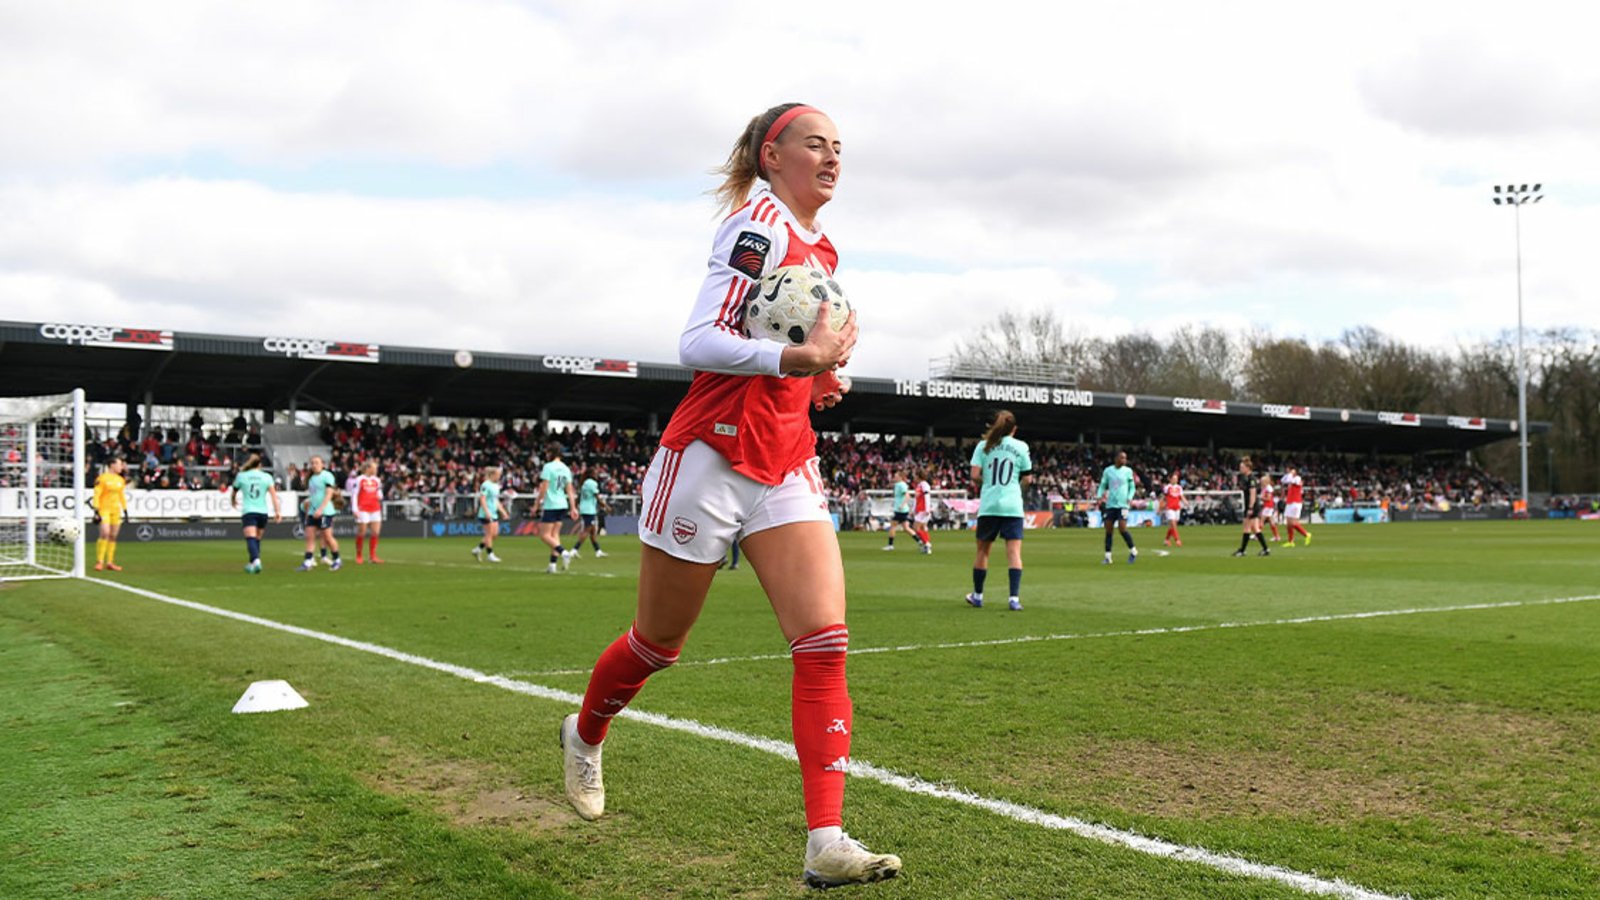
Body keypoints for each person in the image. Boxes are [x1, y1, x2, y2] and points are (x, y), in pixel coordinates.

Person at [559, 102, 899, 888]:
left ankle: (826, 843)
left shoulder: (822, 245)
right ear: (771, 155)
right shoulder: (756, 226)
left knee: (824, 643)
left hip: (785, 460)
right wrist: (793, 362)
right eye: (815, 144)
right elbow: (698, 340)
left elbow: (781, 344)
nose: (832, 157)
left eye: (839, 147)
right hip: (710, 456)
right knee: (657, 644)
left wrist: (817, 376)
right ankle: (585, 733)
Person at [963, 411, 1031, 611]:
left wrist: (988, 483)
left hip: (989, 505)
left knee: (983, 551)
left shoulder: (983, 446)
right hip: (1012, 506)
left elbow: (974, 475)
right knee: (1014, 553)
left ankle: (978, 596)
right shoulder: (1021, 446)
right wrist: (1015, 488)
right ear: (1014, 429)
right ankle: (1014, 599)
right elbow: (1028, 479)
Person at [231, 453, 282, 573]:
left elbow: (234, 491)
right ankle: (251, 563)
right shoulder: (267, 477)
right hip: (263, 512)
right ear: (260, 464)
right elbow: (274, 496)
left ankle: (256, 560)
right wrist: (277, 512)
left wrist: (233, 501)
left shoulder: (241, 476)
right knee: (257, 539)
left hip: (249, 511)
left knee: (250, 538)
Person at [537, 444, 580, 574]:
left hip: (551, 504)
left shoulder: (548, 467)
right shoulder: (566, 468)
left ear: (551, 453)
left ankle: (564, 552)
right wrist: (573, 507)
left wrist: (537, 503)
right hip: (562, 504)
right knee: (554, 535)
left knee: (544, 535)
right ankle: (552, 565)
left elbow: (544, 487)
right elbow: (570, 490)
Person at [297, 455, 342, 571]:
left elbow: (329, 494)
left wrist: (321, 509)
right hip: (313, 512)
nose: (314, 465)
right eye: (312, 463)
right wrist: (311, 511)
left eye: (317, 463)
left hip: (325, 512)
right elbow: (314, 496)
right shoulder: (311, 479)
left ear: (322, 464)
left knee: (327, 537)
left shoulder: (327, 475)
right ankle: (308, 561)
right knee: (310, 536)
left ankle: (337, 559)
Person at [1096, 450, 1139, 564]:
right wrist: (1099, 495)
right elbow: (1103, 485)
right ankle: (1108, 557)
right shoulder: (1108, 471)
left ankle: (1133, 551)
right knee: (1108, 530)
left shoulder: (1128, 471)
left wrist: (1130, 497)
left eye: (1125, 458)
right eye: (1122, 458)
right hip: (1110, 504)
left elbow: (1132, 487)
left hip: (1123, 504)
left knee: (1122, 528)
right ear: (1116, 459)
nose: (1124, 460)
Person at [91, 456, 129, 572]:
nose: (121, 467)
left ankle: (110, 562)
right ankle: (99, 561)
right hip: (104, 509)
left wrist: (125, 509)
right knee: (105, 533)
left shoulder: (120, 480)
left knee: (113, 536)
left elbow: (121, 495)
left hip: (116, 510)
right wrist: (96, 510)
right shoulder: (102, 478)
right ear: (112, 465)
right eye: (119, 464)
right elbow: (97, 494)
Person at [1233, 456, 1271, 557]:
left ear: (1247, 468)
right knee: (1255, 528)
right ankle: (1266, 549)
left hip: (1252, 506)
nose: (1240, 469)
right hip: (1251, 505)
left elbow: (1253, 494)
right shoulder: (1246, 478)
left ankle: (1242, 550)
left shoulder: (1251, 479)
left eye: (1242, 467)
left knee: (1246, 527)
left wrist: (1250, 508)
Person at [880, 470, 923, 552]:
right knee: (906, 528)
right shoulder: (897, 484)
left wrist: (902, 505)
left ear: (900, 477)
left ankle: (890, 545)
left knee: (893, 526)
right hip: (900, 509)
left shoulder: (902, 485)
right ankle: (919, 541)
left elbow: (907, 496)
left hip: (901, 510)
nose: (894, 478)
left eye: (896, 476)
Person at [570, 465, 608, 559]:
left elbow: (579, 497)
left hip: (584, 509)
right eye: (595, 473)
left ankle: (598, 551)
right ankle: (574, 550)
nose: (596, 474)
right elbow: (597, 497)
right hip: (589, 510)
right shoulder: (592, 483)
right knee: (587, 530)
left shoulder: (584, 483)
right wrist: (606, 506)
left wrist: (575, 506)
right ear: (591, 474)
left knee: (593, 531)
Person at [352, 459, 386, 564]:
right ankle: (359, 555)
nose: (376, 470)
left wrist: (380, 495)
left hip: (375, 508)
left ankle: (372, 556)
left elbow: (379, 492)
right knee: (362, 532)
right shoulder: (359, 479)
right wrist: (354, 509)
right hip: (363, 509)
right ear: (368, 468)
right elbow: (354, 494)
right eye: (374, 468)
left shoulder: (377, 480)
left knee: (376, 532)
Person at [472, 465, 508, 563]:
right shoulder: (485, 485)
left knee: (494, 534)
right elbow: (482, 499)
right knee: (489, 534)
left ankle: (478, 549)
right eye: (498, 474)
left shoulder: (496, 486)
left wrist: (503, 511)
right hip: (486, 513)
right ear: (492, 474)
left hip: (493, 512)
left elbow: (495, 500)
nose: (499, 476)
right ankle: (490, 554)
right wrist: (487, 512)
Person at [1280, 465, 1313, 547]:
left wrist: (1291, 474)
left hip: (1295, 502)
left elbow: (1289, 480)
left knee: (1293, 523)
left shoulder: (1297, 478)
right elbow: (1283, 480)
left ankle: (1306, 534)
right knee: (1288, 523)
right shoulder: (1291, 478)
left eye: (1289, 470)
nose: (1288, 471)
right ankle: (1291, 541)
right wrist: (1289, 474)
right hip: (1290, 502)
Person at [911, 470, 934, 554]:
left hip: (923, 509)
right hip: (920, 509)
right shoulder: (919, 485)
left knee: (916, 527)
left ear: (918, 476)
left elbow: (927, 496)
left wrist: (927, 508)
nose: (914, 477)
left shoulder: (924, 485)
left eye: (915, 475)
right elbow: (916, 498)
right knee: (923, 528)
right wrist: (914, 509)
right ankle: (927, 547)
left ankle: (927, 544)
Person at [1160, 470, 1185, 547]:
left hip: (1177, 508)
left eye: (1176, 479)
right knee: (1173, 525)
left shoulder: (1179, 487)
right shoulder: (1167, 487)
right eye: (1174, 478)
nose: (1175, 480)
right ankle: (1177, 540)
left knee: (1172, 526)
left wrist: (1186, 502)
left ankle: (1166, 540)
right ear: (1170, 479)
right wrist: (1160, 507)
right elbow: (1164, 498)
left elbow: (1181, 496)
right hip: (1169, 508)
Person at [1260, 474, 1281, 542]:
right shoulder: (1266, 487)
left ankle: (1257, 535)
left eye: (1262, 481)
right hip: (1268, 506)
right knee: (1271, 522)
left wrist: (1262, 498)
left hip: (1268, 506)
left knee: (1262, 520)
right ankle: (1277, 536)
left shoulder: (1268, 488)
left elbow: (1268, 498)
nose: (1261, 482)